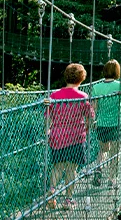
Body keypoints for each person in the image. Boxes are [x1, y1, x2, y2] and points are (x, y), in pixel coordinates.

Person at [46, 63, 94, 211]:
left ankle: (52, 192)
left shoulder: (53, 96)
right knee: (72, 169)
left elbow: (48, 118)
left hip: (57, 137)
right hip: (76, 137)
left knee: (57, 167)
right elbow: (91, 118)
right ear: (81, 78)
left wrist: (47, 131)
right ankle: (68, 200)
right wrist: (87, 128)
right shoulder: (83, 97)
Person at [90, 59, 121, 187]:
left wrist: (93, 121)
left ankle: (98, 169)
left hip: (102, 123)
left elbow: (94, 107)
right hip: (117, 123)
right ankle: (112, 179)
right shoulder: (120, 85)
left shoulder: (96, 87)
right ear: (117, 72)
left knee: (103, 149)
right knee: (115, 153)